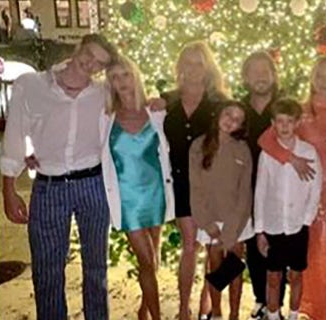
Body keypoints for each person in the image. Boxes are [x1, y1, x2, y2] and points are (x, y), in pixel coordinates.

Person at [0, 34, 117, 320]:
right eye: (89, 54)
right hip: (49, 187)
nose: (91, 64)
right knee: (47, 269)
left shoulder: (104, 93)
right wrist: (8, 187)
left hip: (93, 185)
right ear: (79, 47)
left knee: (96, 268)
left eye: (99, 64)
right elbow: (14, 135)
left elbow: (132, 113)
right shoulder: (31, 85)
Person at [257, 56, 326, 319]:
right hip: (307, 196)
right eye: (320, 75)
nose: (325, 82)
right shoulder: (300, 112)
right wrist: (291, 158)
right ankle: (311, 311)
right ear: (312, 78)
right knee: (311, 260)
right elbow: (266, 140)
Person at [100, 55, 176, 320]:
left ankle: (144, 310)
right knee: (145, 261)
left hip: (155, 193)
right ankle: (155, 317)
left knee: (153, 259)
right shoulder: (105, 117)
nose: (121, 82)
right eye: (114, 77)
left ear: (136, 76)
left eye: (126, 75)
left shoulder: (156, 112)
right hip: (127, 199)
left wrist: (166, 99)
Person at [162, 40, 228, 320]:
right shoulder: (167, 100)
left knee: (218, 249)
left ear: (208, 67)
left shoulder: (220, 103)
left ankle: (208, 302)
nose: (193, 69)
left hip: (213, 186)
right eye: (187, 63)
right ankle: (183, 309)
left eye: (198, 63)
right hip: (181, 184)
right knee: (189, 246)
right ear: (180, 67)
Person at [252, 98, 323, 320]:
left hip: (297, 225)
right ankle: (273, 315)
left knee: (296, 275)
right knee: (273, 276)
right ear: (273, 123)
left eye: (289, 121)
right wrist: (260, 229)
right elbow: (260, 191)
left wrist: (306, 219)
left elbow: (315, 187)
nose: (284, 126)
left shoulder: (309, 151)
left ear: (297, 123)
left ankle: (293, 314)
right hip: (273, 226)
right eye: (279, 122)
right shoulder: (268, 154)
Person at [189, 101, 252, 320]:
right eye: (228, 115)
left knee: (234, 270)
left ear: (241, 126)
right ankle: (216, 312)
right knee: (215, 269)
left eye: (237, 120)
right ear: (219, 114)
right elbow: (196, 188)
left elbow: (245, 192)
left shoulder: (242, 150)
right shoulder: (199, 145)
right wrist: (209, 225)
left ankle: (234, 313)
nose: (230, 122)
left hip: (237, 222)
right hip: (211, 221)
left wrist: (232, 229)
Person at [239, 51, 288, 319]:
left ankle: (275, 305)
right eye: (254, 71)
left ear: (273, 74)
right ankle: (260, 300)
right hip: (245, 190)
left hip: (280, 190)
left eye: (265, 70)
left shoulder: (286, 108)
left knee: (277, 248)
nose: (260, 76)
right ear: (246, 77)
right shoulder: (238, 110)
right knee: (251, 246)